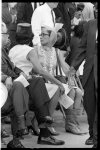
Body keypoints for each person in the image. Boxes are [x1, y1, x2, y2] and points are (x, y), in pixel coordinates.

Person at [2, 22, 65, 147]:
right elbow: (40, 70)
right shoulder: (30, 50)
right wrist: (59, 83)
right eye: (5, 35)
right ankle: (44, 125)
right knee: (54, 88)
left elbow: (14, 68)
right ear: (30, 38)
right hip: (14, 86)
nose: (8, 38)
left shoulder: (11, 50)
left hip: (20, 83)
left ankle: (42, 123)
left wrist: (22, 75)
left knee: (37, 82)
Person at [70, 3, 98, 147]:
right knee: (90, 104)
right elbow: (82, 48)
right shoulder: (90, 25)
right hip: (90, 71)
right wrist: (73, 67)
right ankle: (92, 134)